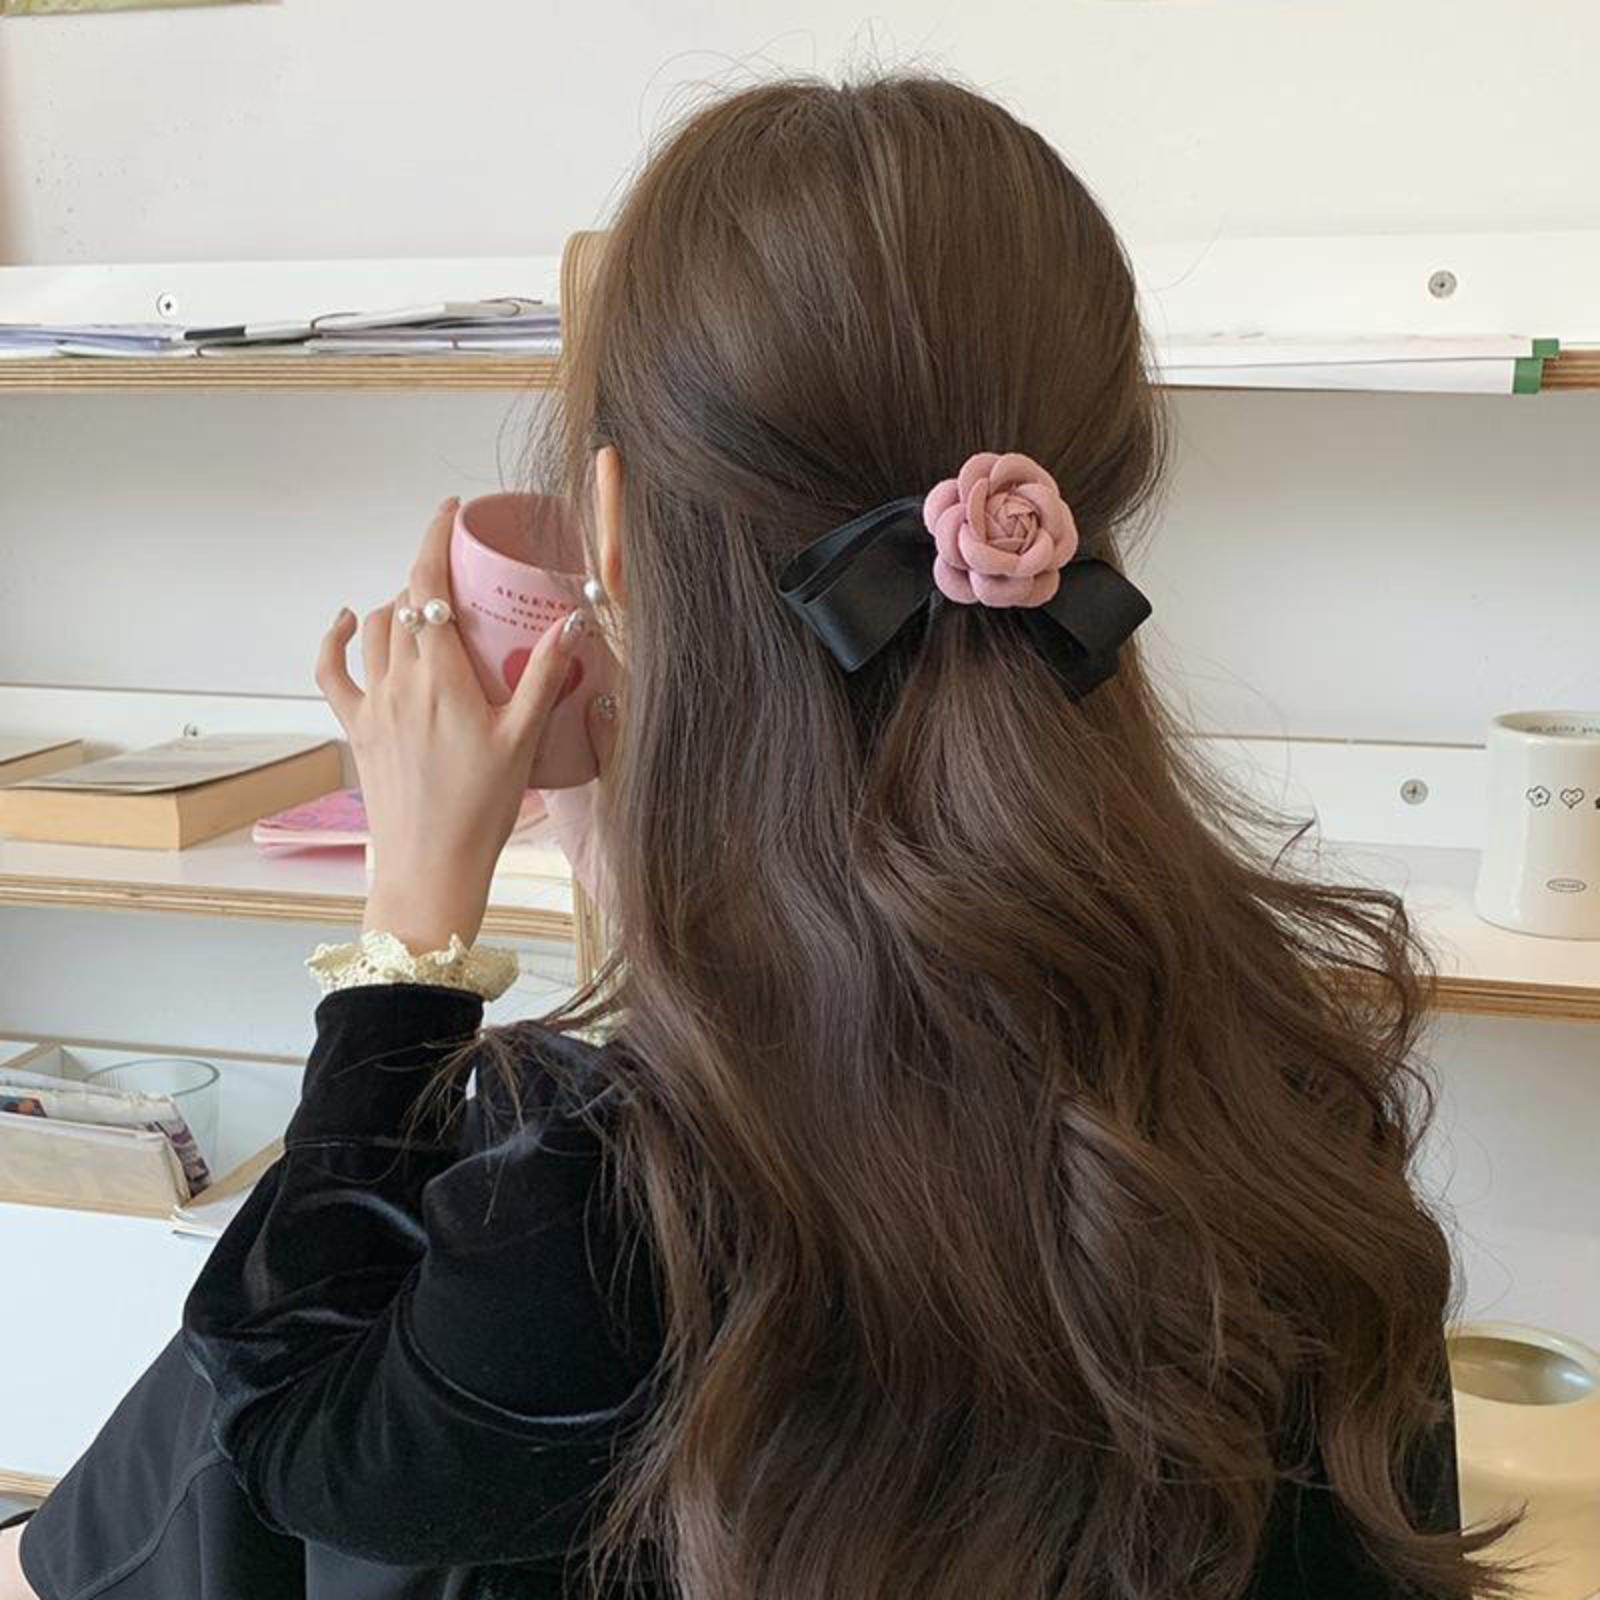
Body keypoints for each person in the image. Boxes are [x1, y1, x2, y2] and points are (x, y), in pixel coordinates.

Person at [2, 72, 1512, 1600]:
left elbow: (289, 1414)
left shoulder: (608, 1212)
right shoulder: (1298, 1099)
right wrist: (632, 839)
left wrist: (412, 928)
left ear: (607, 528)